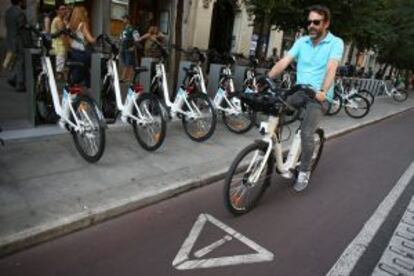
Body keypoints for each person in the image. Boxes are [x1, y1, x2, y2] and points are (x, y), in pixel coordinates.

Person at [267, 4, 344, 192]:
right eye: (309, 22)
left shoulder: (336, 43)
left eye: (316, 22)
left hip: (319, 96)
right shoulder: (302, 42)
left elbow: (331, 68)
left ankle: (304, 171)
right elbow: (285, 61)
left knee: (307, 133)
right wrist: (267, 78)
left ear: (326, 23)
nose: (311, 25)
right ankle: (274, 146)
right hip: (300, 90)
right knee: (275, 106)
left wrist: (323, 91)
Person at [5, 0, 31, 92]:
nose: (25, 3)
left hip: (9, 38)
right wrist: (28, 42)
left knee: (17, 60)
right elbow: (23, 29)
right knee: (20, 61)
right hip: (18, 40)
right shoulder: (20, 13)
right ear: (20, 2)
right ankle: (20, 83)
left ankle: (13, 78)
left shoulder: (8, 11)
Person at [68, 5, 96, 87]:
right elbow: (90, 39)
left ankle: (82, 86)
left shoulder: (71, 25)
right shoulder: (83, 24)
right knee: (90, 66)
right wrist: (97, 39)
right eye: (85, 12)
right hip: (81, 51)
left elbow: (68, 39)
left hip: (73, 50)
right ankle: (87, 86)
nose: (86, 14)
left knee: (81, 69)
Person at [119, 15, 139, 82]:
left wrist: (133, 47)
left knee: (129, 63)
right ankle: (127, 77)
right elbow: (121, 38)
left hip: (129, 47)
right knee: (125, 63)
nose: (123, 20)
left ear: (128, 20)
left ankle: (125, 78)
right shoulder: (123, 29)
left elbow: (137, 39)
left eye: (124, 19)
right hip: (123, 48)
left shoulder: (133, 29)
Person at [51, 4, 68, 80]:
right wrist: (67, 46)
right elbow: (63, 35)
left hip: (57, 46)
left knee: (60, 67)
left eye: (65, 9)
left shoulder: (59, 20)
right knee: (59, 69)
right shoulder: (58, 20)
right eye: (62, 9)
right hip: (59, 46)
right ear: (57, 11)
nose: (64, 11)